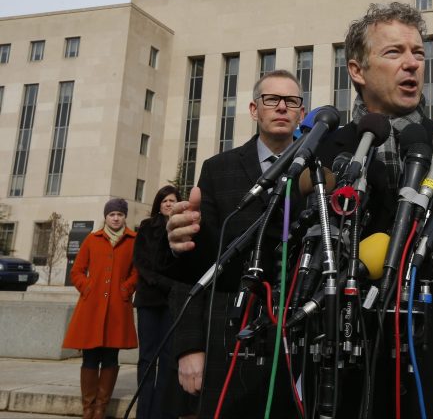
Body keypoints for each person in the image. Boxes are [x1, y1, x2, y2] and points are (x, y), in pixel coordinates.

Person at [167, 3, 433, 419]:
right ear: (356, 70)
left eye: (418, 52)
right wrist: (192, 241)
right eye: (394, 52)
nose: (412, 63)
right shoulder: (318, 156)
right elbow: (262, 257)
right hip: (339, 384)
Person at [164, 70, 305, 417]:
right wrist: (189, 348)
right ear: (254, 109)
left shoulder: (320, 173)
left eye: (292, 102)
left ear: (302, 114)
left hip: (297, 341)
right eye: (272, 100)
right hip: (227, 339)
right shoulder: (218, 170)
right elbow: (193, 266)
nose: (282, 108)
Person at [62, 198, 139, 419]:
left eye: (120, 215)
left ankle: (100, 409)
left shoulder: (134, 240)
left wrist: (126, 289)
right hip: (91, 308)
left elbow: (138, 272)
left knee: (110, 358)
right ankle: (88, 408)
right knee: (90, 358)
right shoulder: (91, 239)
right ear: (105, 217)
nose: (116, 218)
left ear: (125, 217)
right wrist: (87, 288)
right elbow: (77, 271)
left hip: (117, 309)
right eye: (112, 214)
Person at [133, 185, 180, 419]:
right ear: (158, 204)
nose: (168, 204)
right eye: (164, 200)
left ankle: (163, 412)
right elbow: (141, 262)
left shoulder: (184, 229)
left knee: (169, 358)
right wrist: (165, 283)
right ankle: (145, 412)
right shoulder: (146, 227)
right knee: (147, 357)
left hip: (171, 302)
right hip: (149, 299)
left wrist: (174, 287)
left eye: (172, 200)